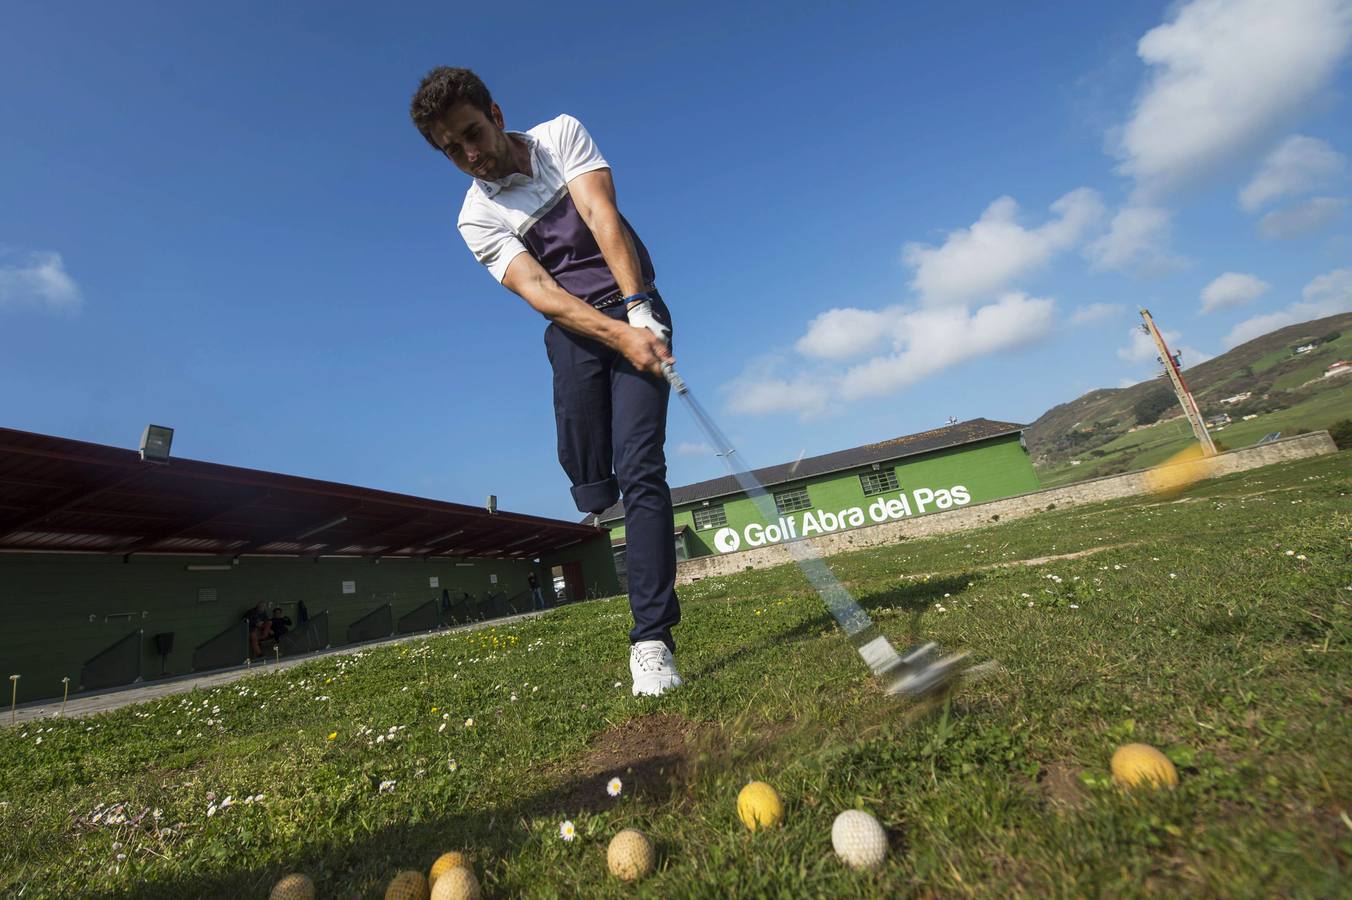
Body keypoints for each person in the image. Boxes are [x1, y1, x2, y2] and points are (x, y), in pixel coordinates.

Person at [409, 68, 683, 696]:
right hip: (574, 331)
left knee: (641, 467)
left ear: (496, 113)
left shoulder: (560, 135)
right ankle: (593, 484)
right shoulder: (476, 217)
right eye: (452, 149)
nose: (470, 154)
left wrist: (639, 310)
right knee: (593, 483)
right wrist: (616, 335)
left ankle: (651, 640)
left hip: (635, 301)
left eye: (473, 133)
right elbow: (542, 291)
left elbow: (599, 212)